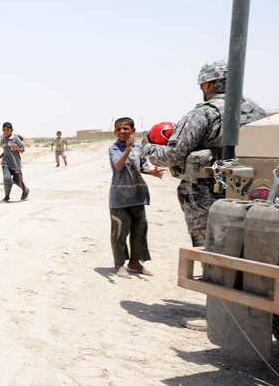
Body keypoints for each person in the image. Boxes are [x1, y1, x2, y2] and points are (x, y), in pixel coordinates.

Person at [142, 58, 266, 328]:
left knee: (212, 250)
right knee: (245, 251)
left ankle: (219, 315)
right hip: (249, 193)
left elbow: (173, 154)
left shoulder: (205, 113)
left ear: (209, 83)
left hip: (206, 196)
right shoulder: (258, 111)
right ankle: (249, 309)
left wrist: (147, 148)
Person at [109, 117, 164, 278]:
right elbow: (118, 167)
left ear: (133, 130)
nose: (122, 131)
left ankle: (135, 262)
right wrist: (127, 150)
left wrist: (152, 172)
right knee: (119, 232)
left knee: (139, 231)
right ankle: (119, 264)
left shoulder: (139, 148)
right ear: (115, 132)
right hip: (119, 198)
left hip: (137, 196)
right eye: (119, 129)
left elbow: (143, 167)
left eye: (126, 128)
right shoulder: (114, 148)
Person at [0, 122, 30, 202]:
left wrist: (17, 149)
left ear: (11, 130)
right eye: (4, 130)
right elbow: (6, 151)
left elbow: (22, 149)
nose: (5, 131)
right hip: (5, 163)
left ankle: (25, 190)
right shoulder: (3, 139)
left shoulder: (15, 138)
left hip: (15, 164)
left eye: (7, 130)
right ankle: (6, 197)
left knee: (18, 181)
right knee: (6, 179)